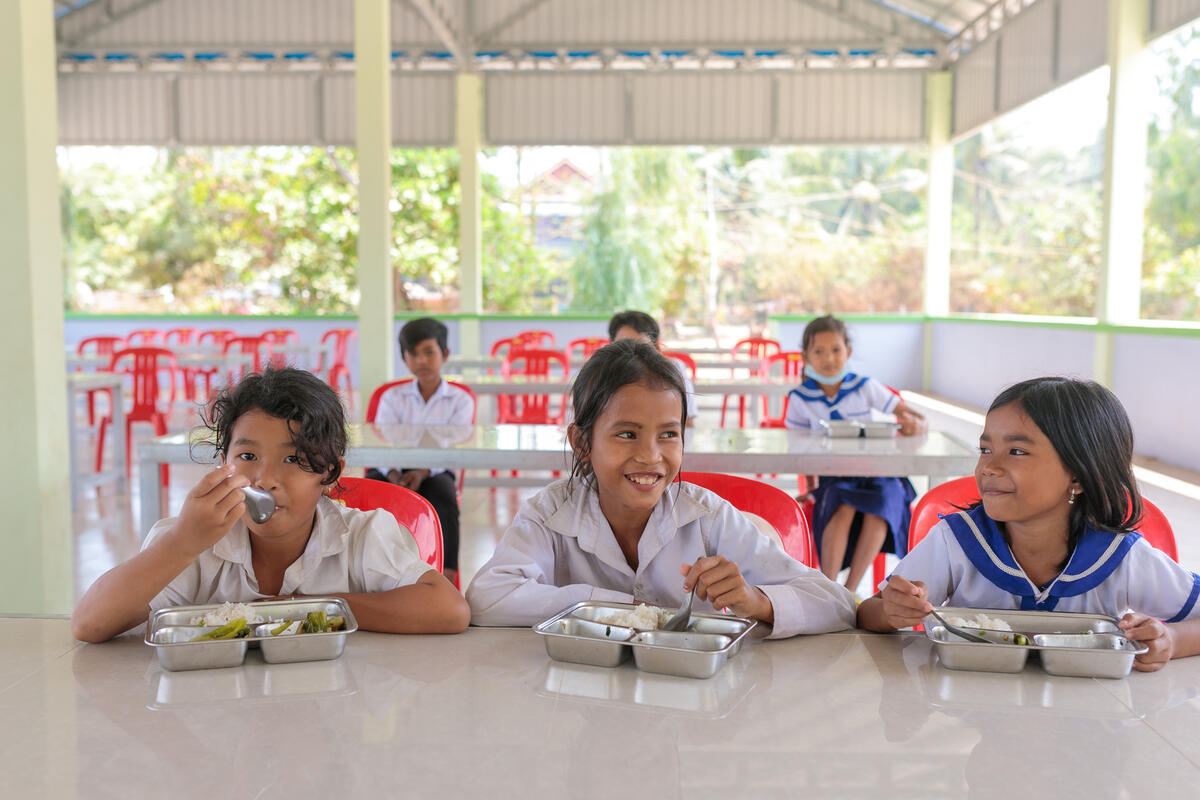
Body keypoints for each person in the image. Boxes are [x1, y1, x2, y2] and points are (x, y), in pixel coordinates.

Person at [466, 339, 856, 637]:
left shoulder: (707, 518)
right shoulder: (549, 515)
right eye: (627, 434)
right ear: (582, 443)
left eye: (668, 434)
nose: (651, 456)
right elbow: (486, 599)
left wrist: (757, 601)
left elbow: (836, 602)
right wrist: (611, 605)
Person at [71, 366, 470, 643]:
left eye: (294, 460)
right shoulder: (190, 544)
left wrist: (304, 608)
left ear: (329, 473)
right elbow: (90, 624)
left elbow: (448, 610)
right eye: (247, 458)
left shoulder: (361, 537)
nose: (265, 479)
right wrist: (181, 543)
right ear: (223, 465)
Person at [857, 377, 1200, 672]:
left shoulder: (1120, 558)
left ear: (1078, 476)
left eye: (1017, 452)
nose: (989, 467)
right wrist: (892, 611)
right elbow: (868, 613)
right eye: (985, 449)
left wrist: (1171, 639)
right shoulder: (957, 541)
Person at [784, 314, 927, 593]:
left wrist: (916, 424)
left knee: (882, 504)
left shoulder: (863, 386)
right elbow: (797, 451)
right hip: (834, 478)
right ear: (806, 357)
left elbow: (913, 416)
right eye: (819, 351)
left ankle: (848, 592)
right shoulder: (800, 398)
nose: (829, 359)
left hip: (878, 473)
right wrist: (811, 488)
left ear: (848, 352)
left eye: (836, 350)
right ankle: (827, 588)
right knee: (843, 504)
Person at [366, 317, 473, 585]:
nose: (421, 361)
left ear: (445, 354)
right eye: (413, 354)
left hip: (435, 468)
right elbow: (380, 441)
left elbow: (454, 447)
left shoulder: (460, 400)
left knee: (444, 497)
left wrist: (422, 472)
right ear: (404, 359)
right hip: (389, 466)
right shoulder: (392, 397)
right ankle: (371, 571)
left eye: (428, 352)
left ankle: (445, 578)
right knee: (372, 493)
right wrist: (392, 474)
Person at [608, 310, 697, 425]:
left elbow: (688, 422)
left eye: (641, 348)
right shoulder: (602, 374)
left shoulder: (674, 370)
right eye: (623, 347)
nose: (631, 355)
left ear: (656, 348)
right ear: (610, 347)